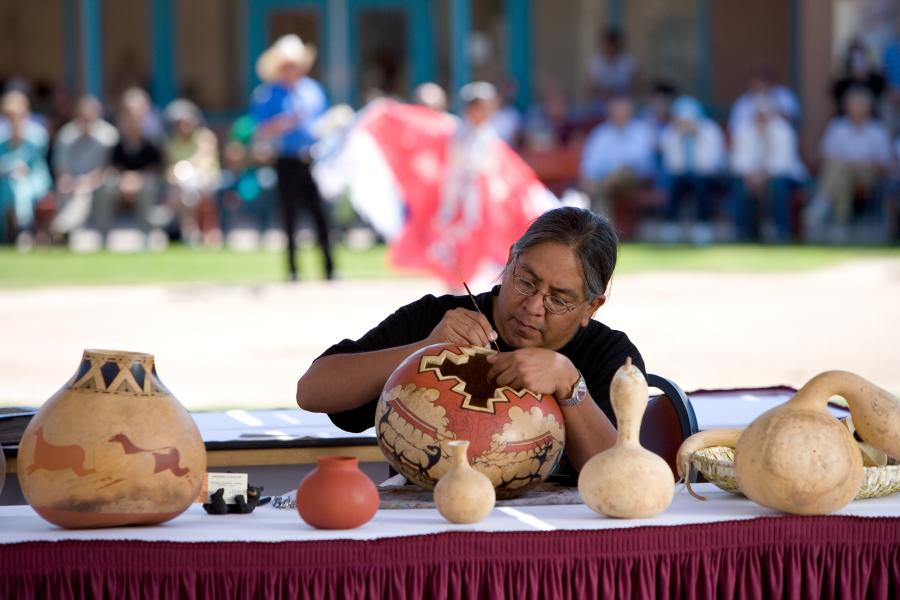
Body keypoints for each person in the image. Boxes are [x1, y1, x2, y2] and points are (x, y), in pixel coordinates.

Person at [297, 206, 644, 478]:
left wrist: (570, 386)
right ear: (510, 261)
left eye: (558, 299)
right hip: (431, 519)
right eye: (526, 281)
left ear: (591, 306)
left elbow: (622, 474)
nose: (533, 307)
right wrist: (423, 350)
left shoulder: (610, 356)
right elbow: (312, 391)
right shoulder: (437, 318)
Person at [251, 34, 334, 281]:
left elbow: (323, 121)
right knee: (289, 216)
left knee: (321, 215)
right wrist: (287, 122)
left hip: (313, 158)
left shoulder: (312, 89)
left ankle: (329, 268)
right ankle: (292, 270)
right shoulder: (267, 94)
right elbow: (261, 128)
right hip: (286, 159)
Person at [808, 86, 892, 241]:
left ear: (868, 108)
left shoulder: (877, 131)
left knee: (839, 168)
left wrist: (860, 164)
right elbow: (826, 157)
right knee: (841, 171)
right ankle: (841, 223)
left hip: (868, 174)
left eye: (860, 105)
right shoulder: (837, 127)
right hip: (842, 173)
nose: (856, 109)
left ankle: (822, 202)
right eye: (853, 105)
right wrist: (849, 164)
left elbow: (884, 165)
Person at [93, 88, 163, 245]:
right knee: (105, 188)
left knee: (148, 187)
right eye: (128, 112)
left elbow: (155, 169)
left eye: (137, 112)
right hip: (120, 183)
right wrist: (123, 179)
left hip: (145, 183)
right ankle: (103, 238)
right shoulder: (115, 140)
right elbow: (112, 167)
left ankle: (146, 238)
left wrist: (136, 179)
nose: (133, 117)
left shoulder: (154, 140)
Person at [730, 100, 807, 242]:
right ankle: (742, 232)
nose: (762, 118)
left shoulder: (783, 131)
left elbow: (784, 163)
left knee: (778, 186)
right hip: (752, 177)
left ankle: (781, 231)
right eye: (759, 115)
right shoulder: (745, 130)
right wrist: (751, 175)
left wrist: (762, 176)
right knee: (740, 185)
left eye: (765, 115)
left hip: (783, 177)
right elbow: (737, 161)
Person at [50, 94, 119, 238]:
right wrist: (67, 180)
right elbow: (61, 168)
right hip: (72, 182)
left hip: (100, 181)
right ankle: (67, 231)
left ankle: (63, 226)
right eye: (83, 116)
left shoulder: (109, 135)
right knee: (66, 189)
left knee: (83, 192)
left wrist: (87, 181)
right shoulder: (66, 134)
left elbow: (109, 167)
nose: (86, 120)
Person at [162, 99, 221, 246]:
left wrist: (184, 168)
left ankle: (190, 229)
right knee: (184, 193)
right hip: (182, 187)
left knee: (188, 192)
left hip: (206, 180)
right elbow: (169, 168)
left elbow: (204, 159)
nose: (183, 127)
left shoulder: (205, 137)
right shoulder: (172, 142)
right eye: (179, 123)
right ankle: (188, 229)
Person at [0, 91, 51, 245]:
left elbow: (35, 165)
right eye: (9, 115)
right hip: (5, 182)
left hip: (35, 180)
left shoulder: (38, 135)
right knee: (11, 184)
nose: (14, 119)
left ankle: (21, 229)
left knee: (18, 186)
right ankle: (18, 231)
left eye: (17, 114)